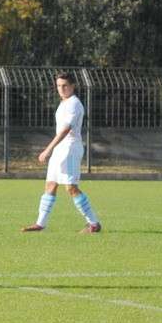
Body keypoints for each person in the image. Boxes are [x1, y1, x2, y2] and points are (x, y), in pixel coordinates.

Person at [22, 71, 101, 233]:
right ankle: (40, 224)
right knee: (50, 185)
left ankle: (93, 223)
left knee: (70, 187)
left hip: (69, 148)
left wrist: (48, 149)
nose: (61, 89)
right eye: (59, 85)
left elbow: (66, 130)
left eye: (65, 85)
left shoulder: (74, 103)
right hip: (60, 149)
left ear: (73, 86)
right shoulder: (63, 103)